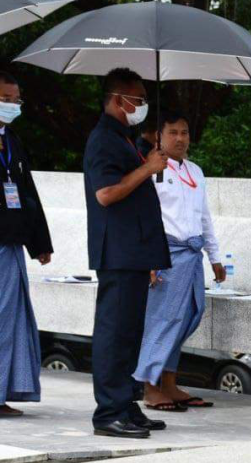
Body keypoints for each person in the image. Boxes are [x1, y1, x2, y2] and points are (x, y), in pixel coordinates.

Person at [83, 68, 171, 439]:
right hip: (117, 251)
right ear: (119, 100)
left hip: (134, 251)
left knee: (131, 333)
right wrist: (147, 169)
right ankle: (108, 412)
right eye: (138, 99)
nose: (143, 106)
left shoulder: (127, 138)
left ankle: (125, 402)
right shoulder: (103, 139)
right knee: (114, 333)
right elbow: (105, 194)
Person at [133, 111, 225, 411]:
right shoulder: (152, 169)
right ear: (158, 136)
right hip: (165, 255)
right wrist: (148, 259)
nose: (181, 138)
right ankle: (149, 386)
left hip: (192, 254)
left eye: (184, 132)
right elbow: (144, 218)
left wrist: (215, 257)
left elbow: (205, 217)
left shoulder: (195, 171)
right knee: (162, 321)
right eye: (173, 132)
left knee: (187, 318)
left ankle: (169, 384)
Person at [0, 71, 52, 417]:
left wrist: (40, 243)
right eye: (4, 100)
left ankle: (4, 391)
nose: (11, 106)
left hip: (12, 244)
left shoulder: (12, 141)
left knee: (11, 321)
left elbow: (28, 194)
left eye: (15, 100)